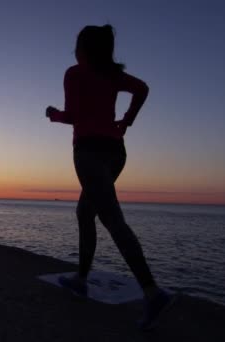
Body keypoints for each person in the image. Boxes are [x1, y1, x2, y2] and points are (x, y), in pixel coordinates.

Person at [46, 24, 175, 331]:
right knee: (85, 212)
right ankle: (80, 278)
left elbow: (74, 115)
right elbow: (142, 88)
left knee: (112, 219)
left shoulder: (74, 73)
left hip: (89, 152)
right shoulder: (113, 75)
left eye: (76, 47)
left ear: (83, 50)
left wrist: (53, 114)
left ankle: (152, 292)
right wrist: (127, 121)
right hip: (116, 152)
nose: (73, 52)